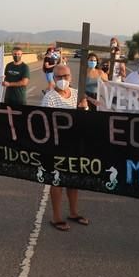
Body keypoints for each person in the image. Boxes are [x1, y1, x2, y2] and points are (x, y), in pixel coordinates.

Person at [41, 64, 89, 231]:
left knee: (73, 180)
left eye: (66, 76)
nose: (63, 80)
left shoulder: (77, 95)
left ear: (71, 77)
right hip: (58, 145)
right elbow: (46, 123)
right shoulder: (50, 98)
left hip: (75, 145)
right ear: (54, 79)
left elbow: (86, 120)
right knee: (57, 181)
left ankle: (74, 212)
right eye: (59, 77)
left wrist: (84, 109)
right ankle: (56, 217)